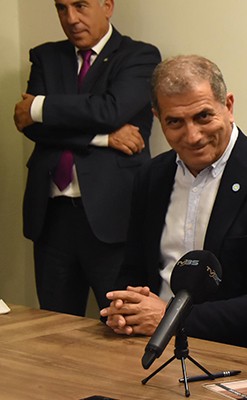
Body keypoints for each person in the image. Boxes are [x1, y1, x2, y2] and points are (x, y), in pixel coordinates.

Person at [99, 55, 247, 349]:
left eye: (203, 116)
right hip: (142, 343)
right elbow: (133, 270)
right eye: (175, 122)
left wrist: (171, 319)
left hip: (227, 349)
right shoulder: (151, 176)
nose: (192, 136)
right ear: (158, 118)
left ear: (229, 107)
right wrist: (125, 307)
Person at [13, 0, 161, 316]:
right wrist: (103, 138)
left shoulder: (140, 56)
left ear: (107, 6)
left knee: (121, 321)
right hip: (52, 217)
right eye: (62, 8)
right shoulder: (46, 57)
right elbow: (31, 127)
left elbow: (111, 110)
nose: (71, 18)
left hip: (112, 216)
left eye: (80, 6)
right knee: (54, 325)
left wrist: (40, 106)